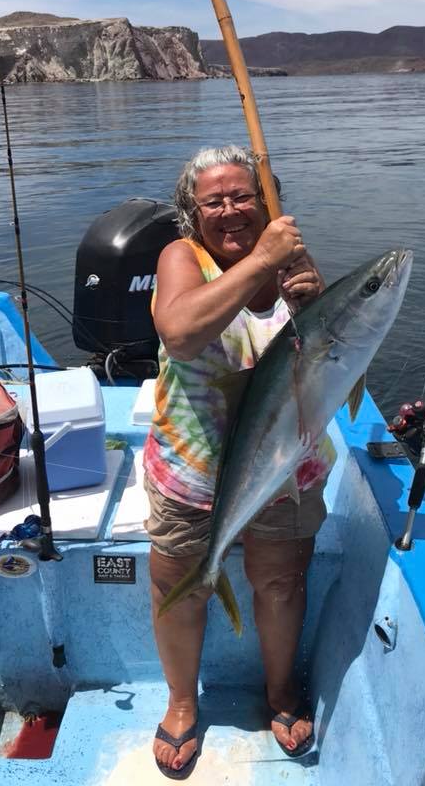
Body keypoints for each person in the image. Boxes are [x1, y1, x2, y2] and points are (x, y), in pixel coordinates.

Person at [142, 145, 335, 778]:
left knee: (280, 582)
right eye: (213, 201)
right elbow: (180, 332)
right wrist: (261, 263)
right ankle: (180, 702)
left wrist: (314, 300)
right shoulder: (182, 258)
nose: (230, 210)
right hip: (192, 467)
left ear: (266, 199)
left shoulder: (293, 263)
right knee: (180, 586)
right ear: (192, 215)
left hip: (284, 465)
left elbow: (334, 356)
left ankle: (280, 693)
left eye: (243, 196)